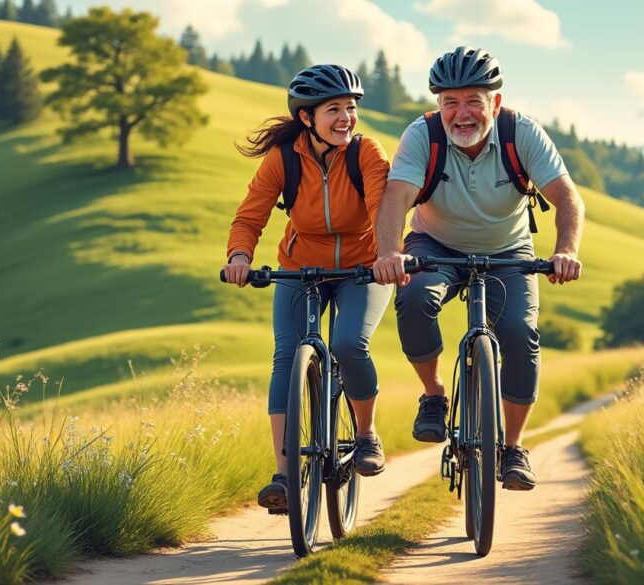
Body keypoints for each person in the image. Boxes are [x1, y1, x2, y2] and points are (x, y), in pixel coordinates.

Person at [372, 47, 585, 491]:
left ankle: (514, 447)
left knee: (519, 335)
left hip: (508, 250)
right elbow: (395, 198)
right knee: (413, 297)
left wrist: (565, 249)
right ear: (438, 106)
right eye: (450, 102)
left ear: (495, 103)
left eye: (473, 101)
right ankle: (433, 396)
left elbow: (567, 198)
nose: (461, 113)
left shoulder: (520, 133)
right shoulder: (422, 136)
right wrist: (390, 252)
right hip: (435, 245)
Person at [224, 64, 393, 512]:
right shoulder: (282, 159)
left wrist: (388, 254)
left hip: (365, 267)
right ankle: (283, 474)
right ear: (307, 118)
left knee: (349, 344)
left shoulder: (366, 154)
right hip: (301, 267)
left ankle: (366, 434)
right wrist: (239, 256)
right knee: (286, 354)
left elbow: (381, 205)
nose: (346, 118)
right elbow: (251, 215)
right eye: (333, 109)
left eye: (350, 108)